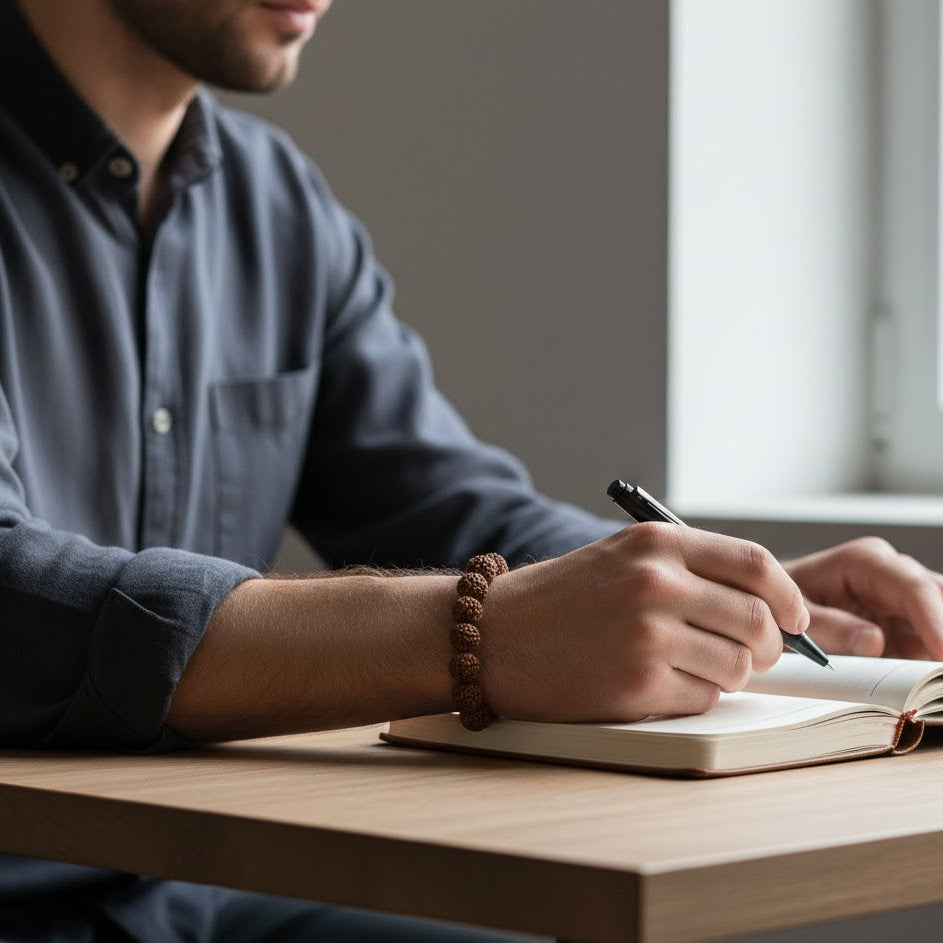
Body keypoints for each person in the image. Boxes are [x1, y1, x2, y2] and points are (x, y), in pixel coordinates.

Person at [1, 0, 942, 939]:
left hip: (194, 887)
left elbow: (439, 499)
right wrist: (480, 634)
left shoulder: (276, 203)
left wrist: (703, 594)